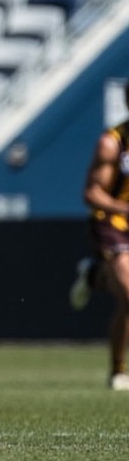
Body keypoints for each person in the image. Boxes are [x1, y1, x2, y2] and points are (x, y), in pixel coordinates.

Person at [68, 80, 129, 391]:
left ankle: (95, 277)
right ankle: (118, 371)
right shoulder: (112, 143)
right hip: (114, 223)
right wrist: (124, 207)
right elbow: (91, 193)